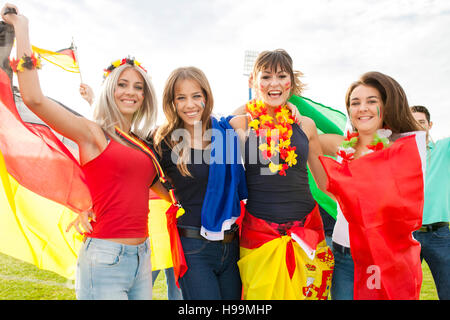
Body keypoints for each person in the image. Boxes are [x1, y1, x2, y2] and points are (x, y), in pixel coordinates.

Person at [2, 4, 171, 300]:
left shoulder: (144, 145)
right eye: (122, 84)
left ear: (145, 96)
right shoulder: (93, 133)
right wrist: (22, 29)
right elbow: (34, 99)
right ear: (109, 89)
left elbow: (171, 194)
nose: (130, 92)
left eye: (138, 87)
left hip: (142, 259)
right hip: (105, 259)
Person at [230, 49, 334, 300]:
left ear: (291, 83)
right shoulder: (240, 121)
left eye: (281, 76)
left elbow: (323, 181)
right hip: (259, 235)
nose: (274, 84)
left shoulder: (305, 125)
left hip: (308, 231)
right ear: (252, 82)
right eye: (265, 77)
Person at [318, 71, 424, 300]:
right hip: (344, 259)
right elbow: (309, 139)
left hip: (385, 259)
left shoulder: (404, 149)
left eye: (371, 101)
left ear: (386, 106)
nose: (362, 108)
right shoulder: (343, 149)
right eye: (355, 103)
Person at [152, 66, 247, 300]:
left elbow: (260, 107)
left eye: (196, 96)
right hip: (194, 246)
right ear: (172, 102)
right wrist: (171, 198)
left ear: (206, 96)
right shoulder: (164, 141)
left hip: (232, 245)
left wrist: (293, 106)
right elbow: (145, 177)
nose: (190, 104)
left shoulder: (226, 129)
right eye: (181, 98)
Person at [411, 105, 450, 300]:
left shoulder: (444, 149)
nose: (417, 127)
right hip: (408, 236)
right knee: (403, 293)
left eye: (422, 122)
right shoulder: (399, 155)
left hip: (439, 236)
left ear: (430, 125)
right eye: (413, 122)